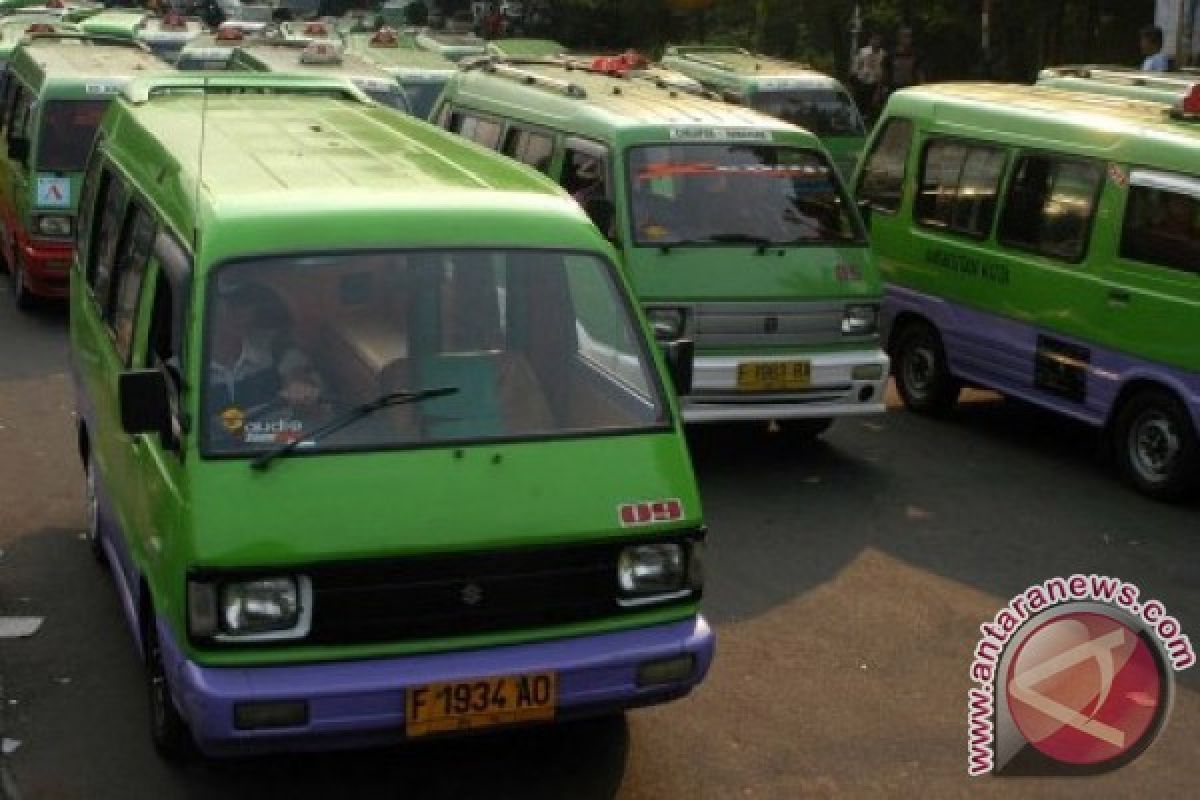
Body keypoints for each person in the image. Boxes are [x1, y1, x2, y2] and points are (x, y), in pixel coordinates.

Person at [207, 281, 328, 445]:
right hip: (213, 462)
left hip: (276, 455)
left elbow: (302, 379)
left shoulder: (276, 349)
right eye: (226, 304)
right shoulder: (182, 367)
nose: (234, 313)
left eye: (242, 303)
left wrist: (300, 387)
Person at [852, 32, 886, 123]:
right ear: (870, 40)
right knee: (860, 103)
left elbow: (883, 70)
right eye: (874, 39)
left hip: (875, 83)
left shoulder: (883, 54)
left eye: (878, 40)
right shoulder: (863, 52)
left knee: (872, 104)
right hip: (862, 81)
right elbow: (856, 65)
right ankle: (859, 120)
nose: (876, 42)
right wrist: (856, 76)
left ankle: (869, 121)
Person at [884, 27, 925, 99]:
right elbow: (885, 73)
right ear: (899, 38)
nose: (908, 39)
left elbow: (920, 73)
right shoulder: (891, 54)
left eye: (909, 36)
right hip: (894, 89)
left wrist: (922, 88)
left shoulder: (916, 54)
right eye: (905, 36)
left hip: (910, 89)